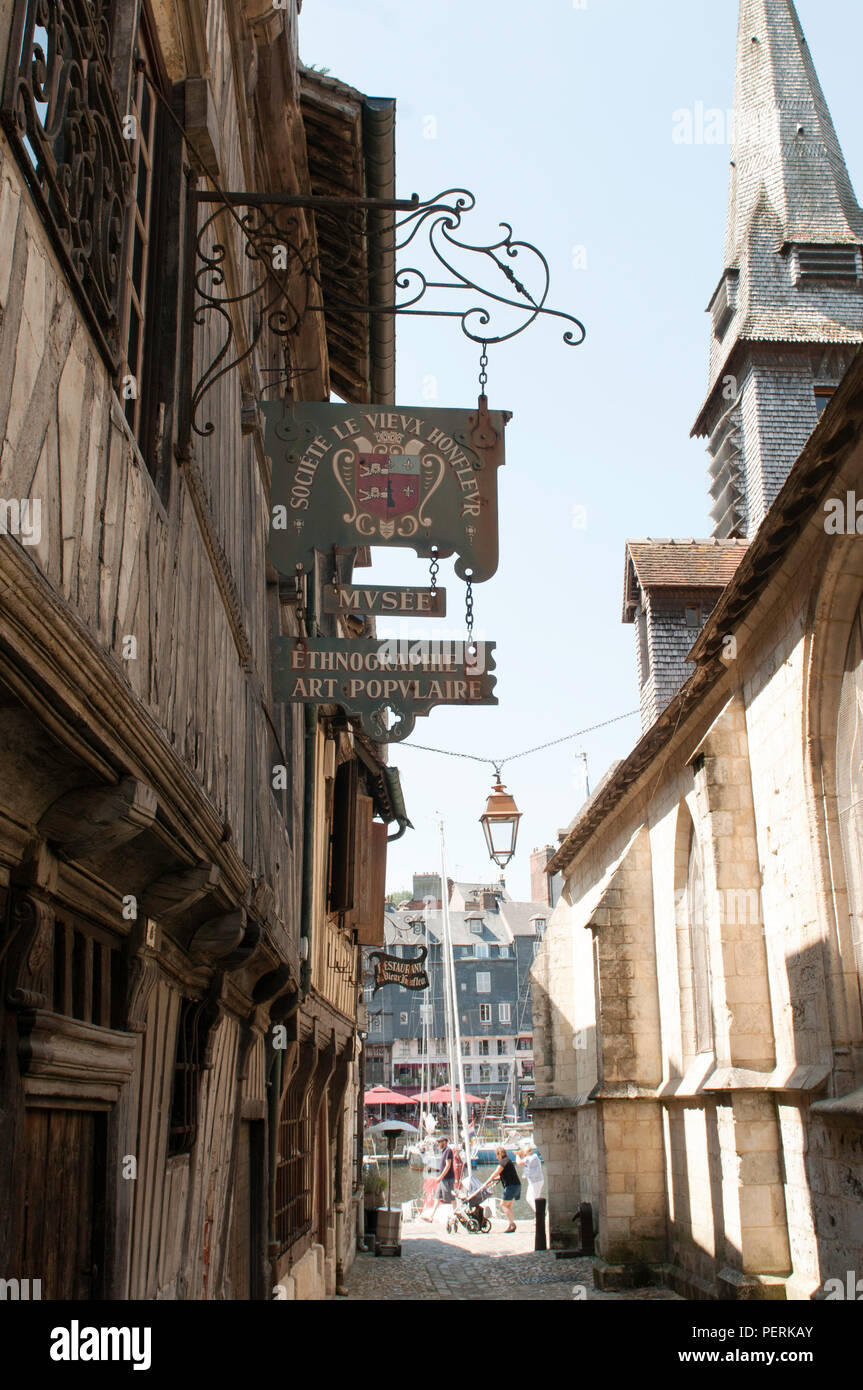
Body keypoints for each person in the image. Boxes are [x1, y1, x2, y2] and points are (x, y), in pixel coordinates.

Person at [478, 1146, 521, 1232]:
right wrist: (493, 1181)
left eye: (497, 1155)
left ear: (499, 1154)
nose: (496, 1157)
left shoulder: (503, 1162)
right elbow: (502, 1175)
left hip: (511, 1186)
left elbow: (495, 1173)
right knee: (508, 1206)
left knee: (503, 1205)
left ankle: (512, 1224)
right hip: (517, 1185)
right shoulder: (508, 1161)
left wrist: (485, 1183)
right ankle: (511, 1224)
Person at [423, 1137, 454, 1221]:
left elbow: (448, 1165)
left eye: (440, 1142)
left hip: (447, 1179)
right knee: (437, 1197)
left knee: (450, 1198)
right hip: (442, 1179)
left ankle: (455, 1215)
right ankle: (431, 1216)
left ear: (444, 1142)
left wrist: (440, 1177)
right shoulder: (443, 1151)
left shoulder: (448, 1151)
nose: (438, 1144)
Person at [516, 1143, 544, 1211]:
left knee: (529, 1198)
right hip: (538, 1180)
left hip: (534, 1182)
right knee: (535, 1198)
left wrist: (517, 1155)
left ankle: (539, 1213)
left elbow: (519, 1163)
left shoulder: (528, 1158)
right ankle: (539, 1215)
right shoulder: (535, 1156)